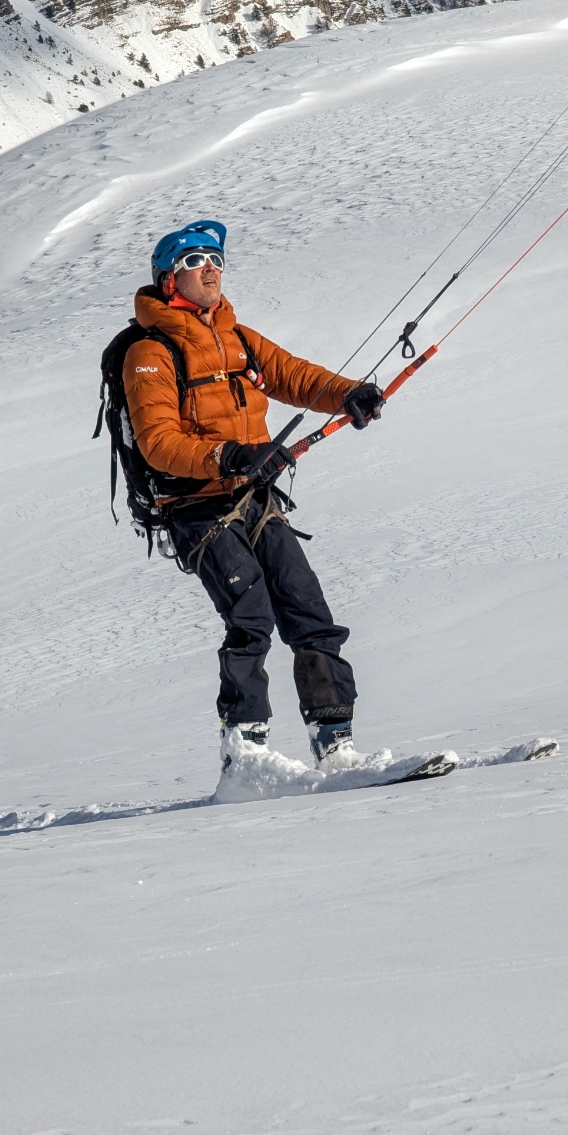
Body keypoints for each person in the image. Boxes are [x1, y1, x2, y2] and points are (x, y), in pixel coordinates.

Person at [122, 219, 384, 789]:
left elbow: (294, 376)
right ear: (169, 280)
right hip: (196, 506)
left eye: (215, 258)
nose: (210, 268)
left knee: (308, 611)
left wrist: (349, 393)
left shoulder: (236, 335)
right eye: (193, 260)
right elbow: (157, 441)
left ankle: (334, 743)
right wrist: (231, 455)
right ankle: (245, 755)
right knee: (251, 620)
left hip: (255, 497)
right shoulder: (150, 351)